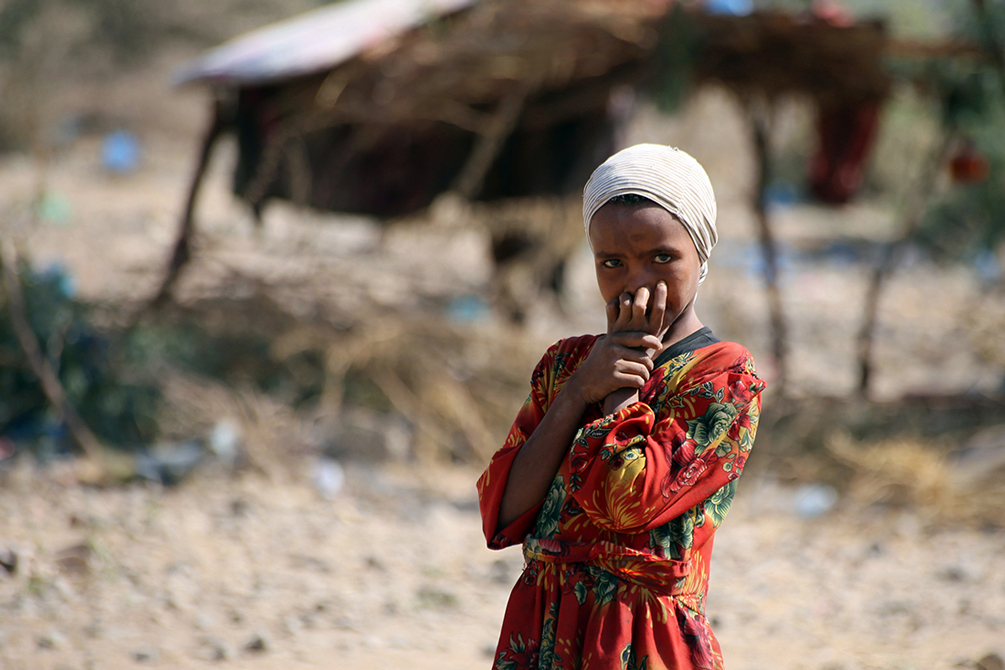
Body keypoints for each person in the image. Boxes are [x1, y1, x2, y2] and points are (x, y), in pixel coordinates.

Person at [477, 144, 766, 670]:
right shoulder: (567, 366)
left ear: (701, 255)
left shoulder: (723, 378)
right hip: (545, 625)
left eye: (662, 257)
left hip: (641, 638)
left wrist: (618, 390)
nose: (636, 280)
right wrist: (577, 393)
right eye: (612, 262)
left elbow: (626, 501)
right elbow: (503, 513)